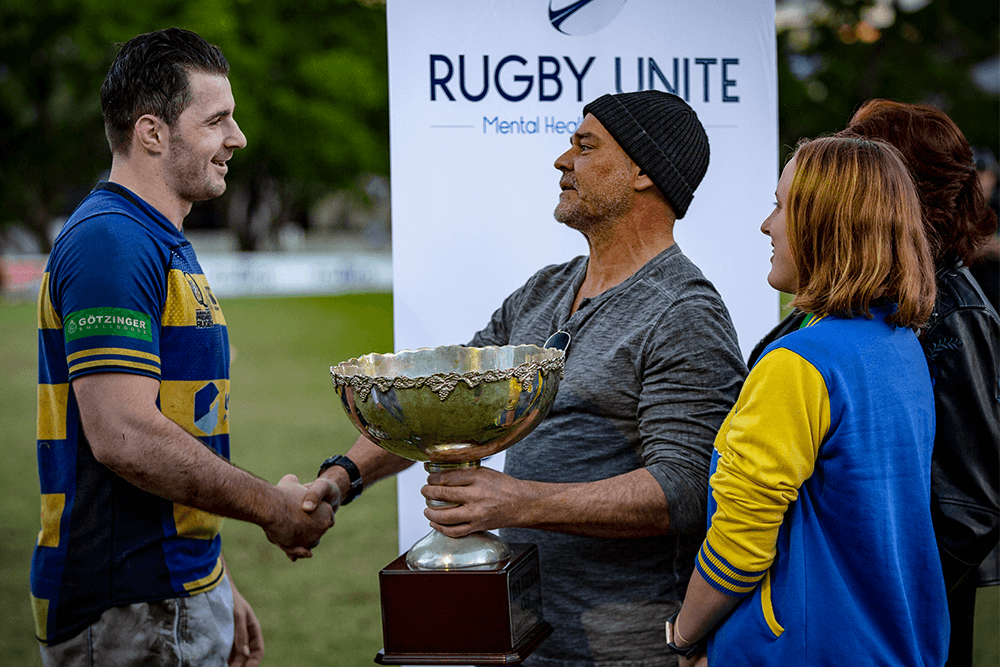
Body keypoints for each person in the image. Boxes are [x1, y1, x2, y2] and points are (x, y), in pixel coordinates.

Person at [305, 90, 747, 665]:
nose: (562, 162)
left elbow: (687, 489)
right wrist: (341, 479)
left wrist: (518, 502)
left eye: (585, 147)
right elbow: (439, 402)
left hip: (627, 649)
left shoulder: (684, 313)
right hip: (524, 636)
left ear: (643, 172)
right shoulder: (543, 292)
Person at [31, 28, 336, 667]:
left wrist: (210, 578)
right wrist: (272, 509)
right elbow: (125, 435)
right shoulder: (110, 241)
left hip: (170, 593)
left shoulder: (153, 237)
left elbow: (170, 437)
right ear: (152, 133)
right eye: (217, 120)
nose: (238, 138)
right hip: (126, 606)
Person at [667, 135, 948, 665]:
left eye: (780, 206)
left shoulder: (800, 364)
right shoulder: (898, 343)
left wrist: (683, 636)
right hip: (890, 644)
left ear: (827, 225)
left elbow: (739, 546)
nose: (765, 225)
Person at [747, 100, 1000, 667]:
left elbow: (971, 506)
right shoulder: (857, 301)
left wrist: (880, 592)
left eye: (866, 160)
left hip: (877, 624)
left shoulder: (953, 314)